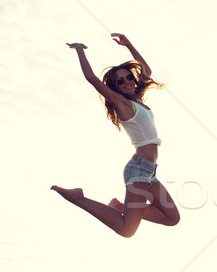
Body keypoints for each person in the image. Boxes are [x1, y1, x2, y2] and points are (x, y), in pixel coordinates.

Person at [51, 33, 180, 237]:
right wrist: (79, 50)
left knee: (172, 218)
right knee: (127, 230)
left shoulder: (138, 100)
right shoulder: (123, 104)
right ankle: (78, 198)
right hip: (138, 170)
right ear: (115, 87)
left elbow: (147, 71)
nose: (127, 81)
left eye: (129, 77)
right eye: (120, 81)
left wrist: (129, 44)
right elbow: (91, 78)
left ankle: (120, 207)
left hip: (149, 171)